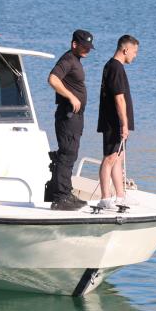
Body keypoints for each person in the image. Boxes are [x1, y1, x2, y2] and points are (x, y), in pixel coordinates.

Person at [46, 29, 94, 211]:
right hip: (68, 116)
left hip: (75, 117)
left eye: (89, 47)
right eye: (84, 46)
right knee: (67, 154)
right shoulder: (67, 59)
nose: (87, 50)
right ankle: (60, 198)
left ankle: (65, 192)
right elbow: (52, 79)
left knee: (71, 153)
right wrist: (71, 97)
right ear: (74, 44)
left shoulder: (76, 60)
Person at [95, 35, 139, 209]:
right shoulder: (115, 68)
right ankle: (105, 198)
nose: (135, 56)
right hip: (114, 122)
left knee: (118, 157)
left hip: (116, 122)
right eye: (134, 52)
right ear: (125, 49)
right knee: (110, 158)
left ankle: (120, 196)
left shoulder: (113, 66)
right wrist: (124, 124)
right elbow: (119, 98)